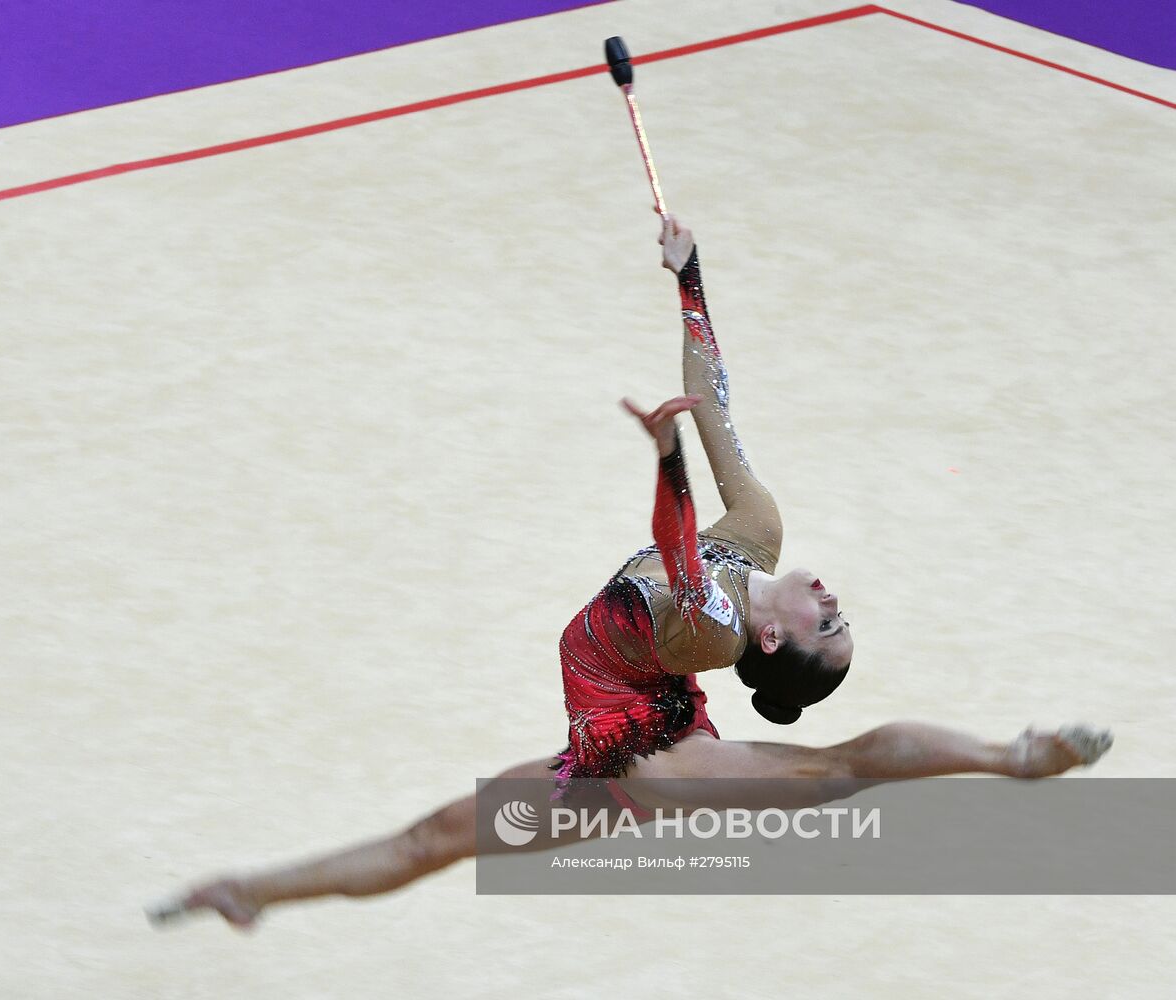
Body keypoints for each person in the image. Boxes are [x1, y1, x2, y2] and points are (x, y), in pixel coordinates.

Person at [148, 215, 1111, 930]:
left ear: (768, 640)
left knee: (835, 771)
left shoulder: (713, 628)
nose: (827, 595)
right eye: (837, 607)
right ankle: (252, 891)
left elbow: (680, 550)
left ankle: (1010, 758)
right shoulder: (759, 533)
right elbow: (715, 399)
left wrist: (664, 458)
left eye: (826, 621)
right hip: (607, 757)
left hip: (657, 770)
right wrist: (691, 284)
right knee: (435, 836)